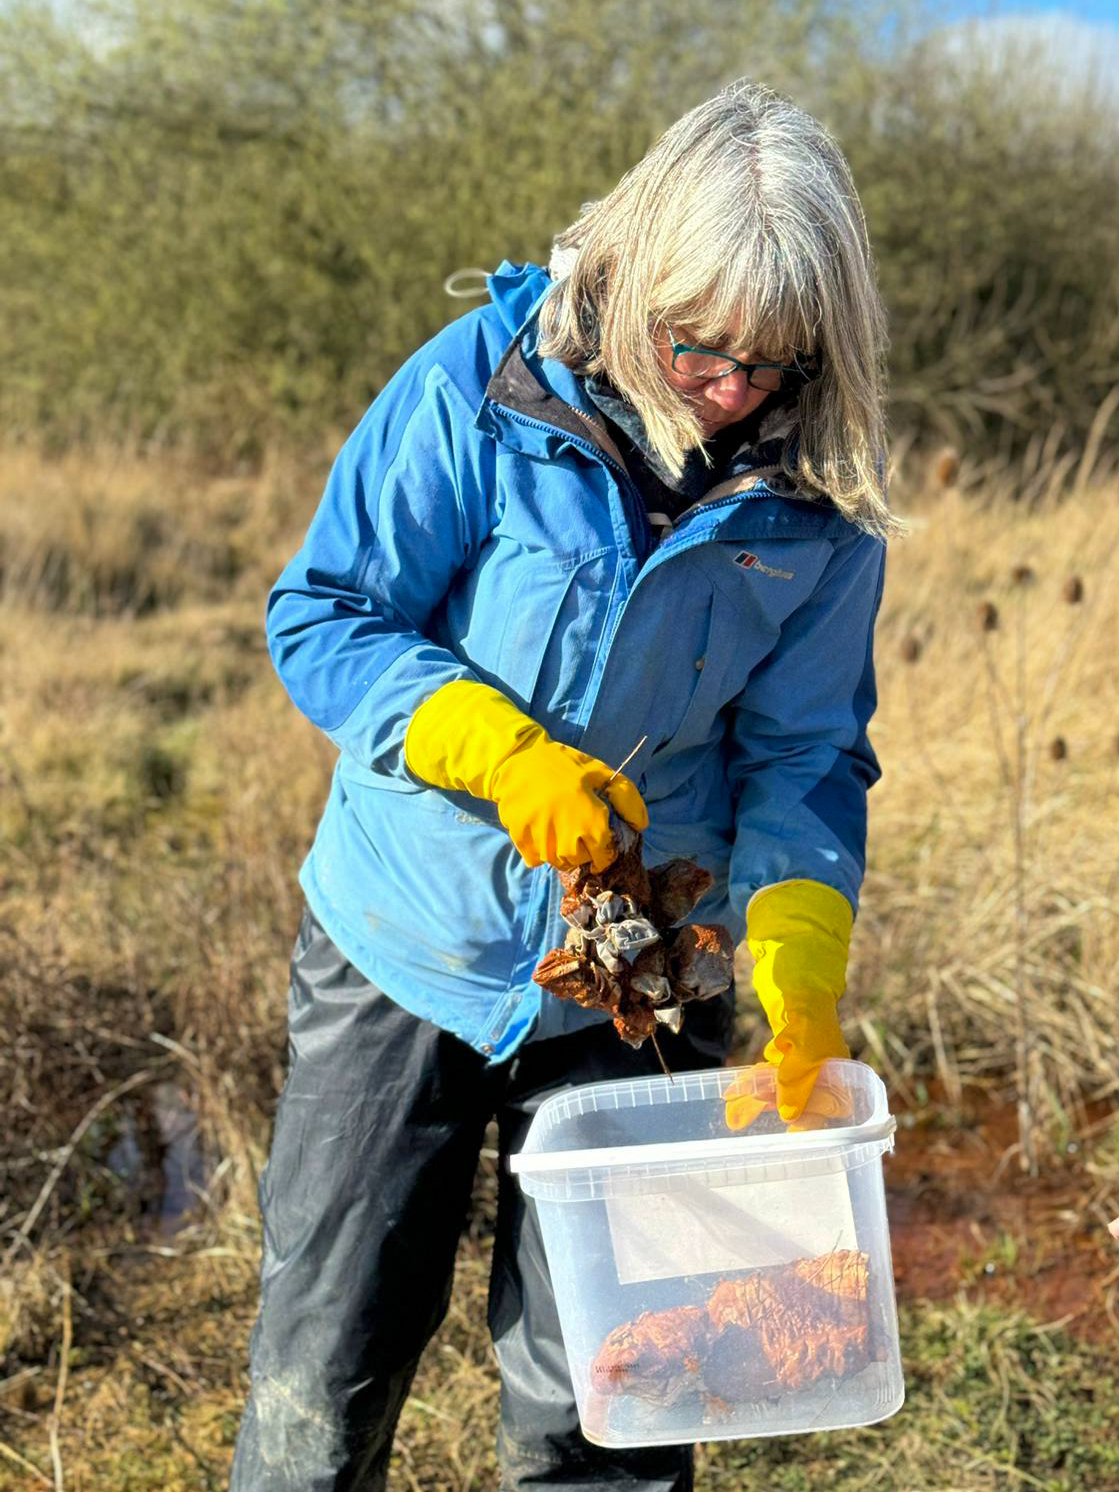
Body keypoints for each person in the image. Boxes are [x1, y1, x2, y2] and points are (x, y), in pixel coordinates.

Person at [230, 78, 898, 1492]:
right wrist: (491, 744)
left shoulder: (822, 501)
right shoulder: (483, 382)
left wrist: (795, 942)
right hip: (409, 946)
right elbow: (326, 614)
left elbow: (805, 753)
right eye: (698, 346)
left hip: (641, 988)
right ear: (640, 274)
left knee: (615, 1392)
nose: (730, 390)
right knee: (325, 1365)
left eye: (770, 362)